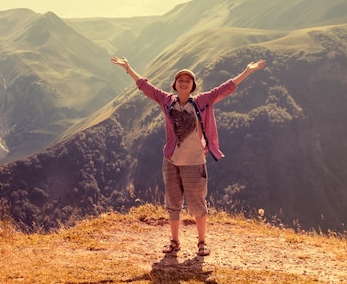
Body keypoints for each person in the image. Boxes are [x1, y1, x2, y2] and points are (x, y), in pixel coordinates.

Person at [111, 56, 266, 256]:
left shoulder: (202, 101)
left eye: (188, 80)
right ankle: (174, 242)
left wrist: (248, 71)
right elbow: (145, 86)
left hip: (194, 162)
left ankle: (202, 243)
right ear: (175, 85)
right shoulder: (167, 101)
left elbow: (225, 88)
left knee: (197, 205)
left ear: (193, 86)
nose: (184, 83)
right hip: (171, 161)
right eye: (180, 80)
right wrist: (128, 67)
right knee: (173, 204)